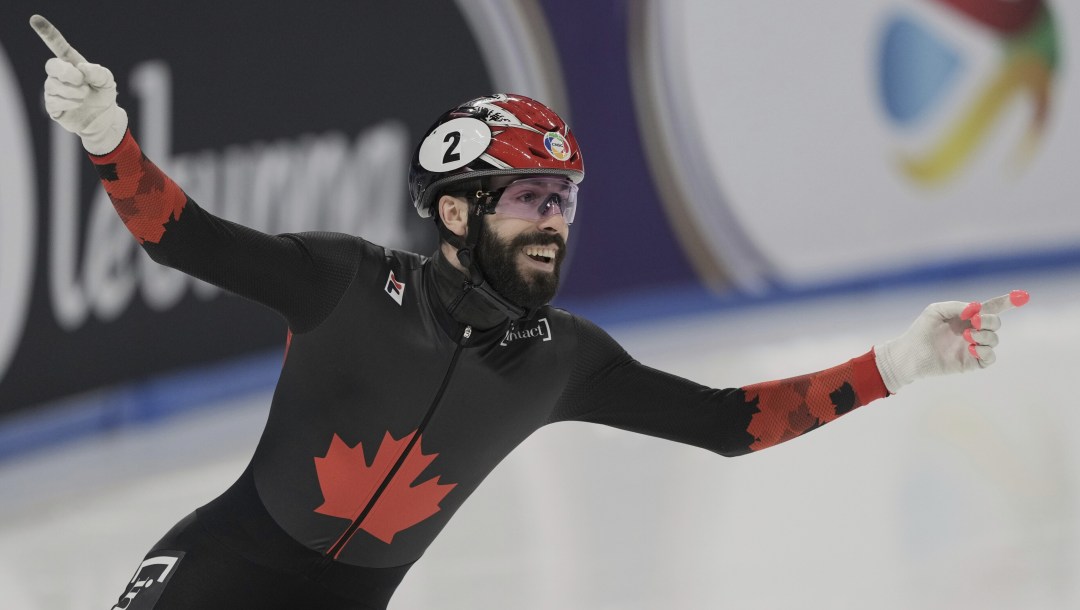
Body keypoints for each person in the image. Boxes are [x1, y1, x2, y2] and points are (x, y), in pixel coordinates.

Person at [31, 14, 1029, 610]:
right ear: (457, 211)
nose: (554, 223)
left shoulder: (566, 360)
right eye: (529, 200)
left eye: (565, 203)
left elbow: (730, 424)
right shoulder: (344, 284)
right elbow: (182, 236)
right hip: (219, 569)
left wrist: (896, 365)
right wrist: (110, 135)